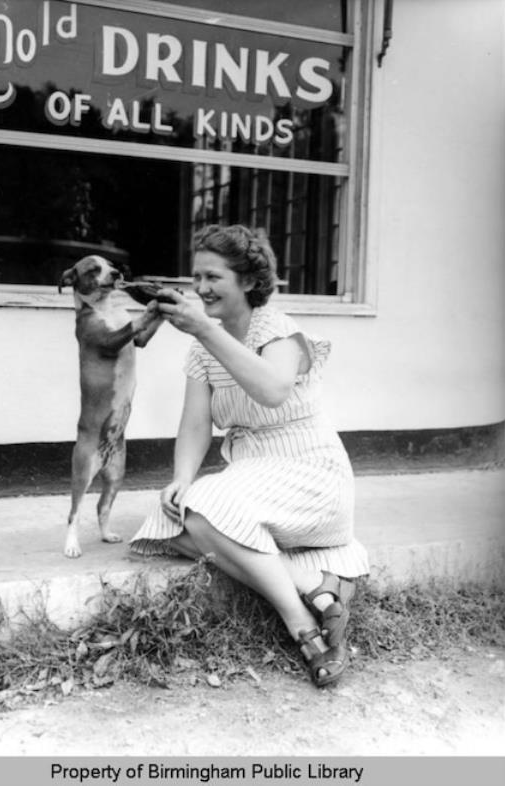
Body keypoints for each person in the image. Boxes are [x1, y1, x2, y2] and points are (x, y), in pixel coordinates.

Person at [130, 224, 368, 687]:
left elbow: (273, 390)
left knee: (208, 510)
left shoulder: (279, 331)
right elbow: (196, 423)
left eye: (214, 277)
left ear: (249, 281)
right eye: (196, 277)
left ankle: (299, 623)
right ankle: (315, 583)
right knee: (175, 518)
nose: (200, 288)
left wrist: (202, 328)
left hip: (310, 471)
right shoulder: (203, 351)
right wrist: (181, 477)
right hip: (254, 476)